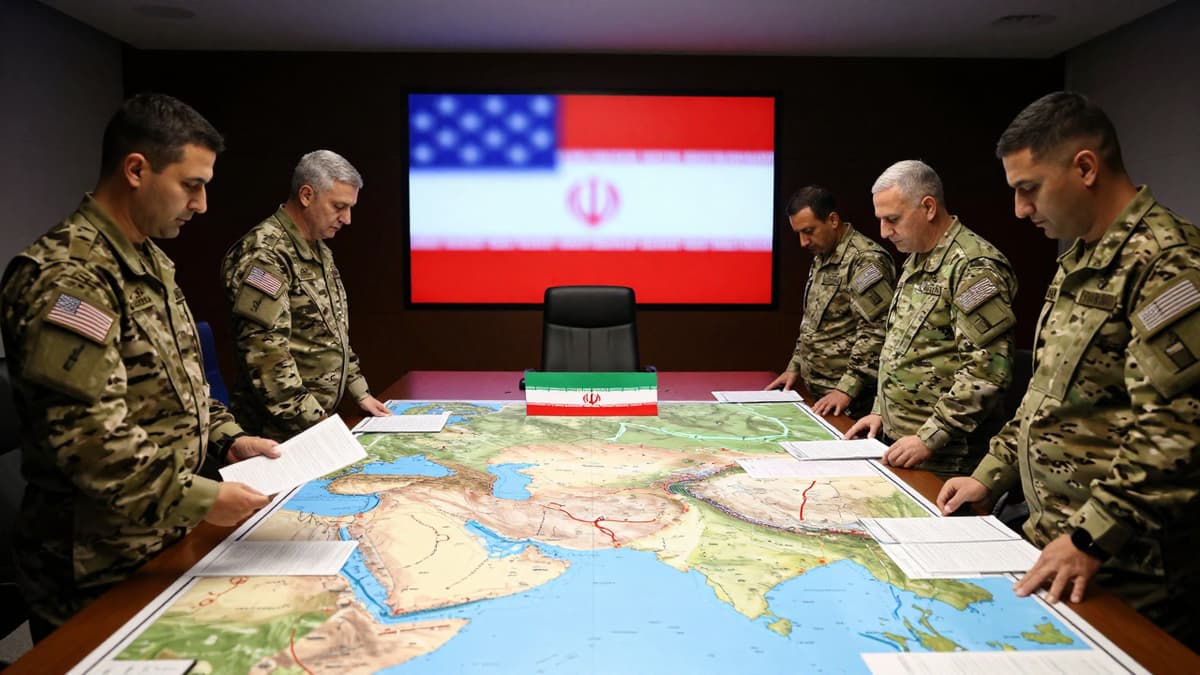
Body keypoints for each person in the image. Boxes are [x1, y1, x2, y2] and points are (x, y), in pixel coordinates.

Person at [0, 94, 278, 637]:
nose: (200, 205)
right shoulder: (69, 276)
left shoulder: (148, 259)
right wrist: (206, 499)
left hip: (161, 539)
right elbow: (90, 443)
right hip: (95, 566)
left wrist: (227, 439)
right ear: (136, 169)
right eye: (191, 185)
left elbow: (178, 385)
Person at [938, 91, 1200, 650]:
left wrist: (1090, 536)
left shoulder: (1168, 263)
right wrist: (989, 474)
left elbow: (1175, 431)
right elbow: (1043, 397)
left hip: (1123, 566)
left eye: (1028, 189)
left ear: (1084, 167)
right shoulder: (1078, 261)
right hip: (1054, 541)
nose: (1020, 210)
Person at [843, 160, 1016, 477]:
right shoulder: (916, 259)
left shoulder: (973, 267)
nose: (883, 232)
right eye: (880, 220)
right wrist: (880, 411)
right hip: (902, 444)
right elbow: (899, 346)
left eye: (892, 219)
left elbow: (987, 370)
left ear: (928, 207)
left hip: (948, 457)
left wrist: (930, 436)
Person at [222, 150, 389, 442]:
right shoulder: (266, 253)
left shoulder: (317, 248)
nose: (347, 219)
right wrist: (319, 424)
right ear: (307, 195)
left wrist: (359, 391)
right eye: (339, 206)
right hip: (275, 433)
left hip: (310, 426)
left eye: (350, 208)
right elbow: (266, 355)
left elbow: (333, 333)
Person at [765, 186, 895, 416]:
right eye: (798, 233)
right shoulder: (823, 255)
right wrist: (795, 366)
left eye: (809, 231)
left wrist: (846, 389)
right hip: (822, 394)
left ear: (833, 220)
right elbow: (813, 323)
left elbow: (876, 332)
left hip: (852, 402)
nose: (803, 242)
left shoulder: (865, 261)